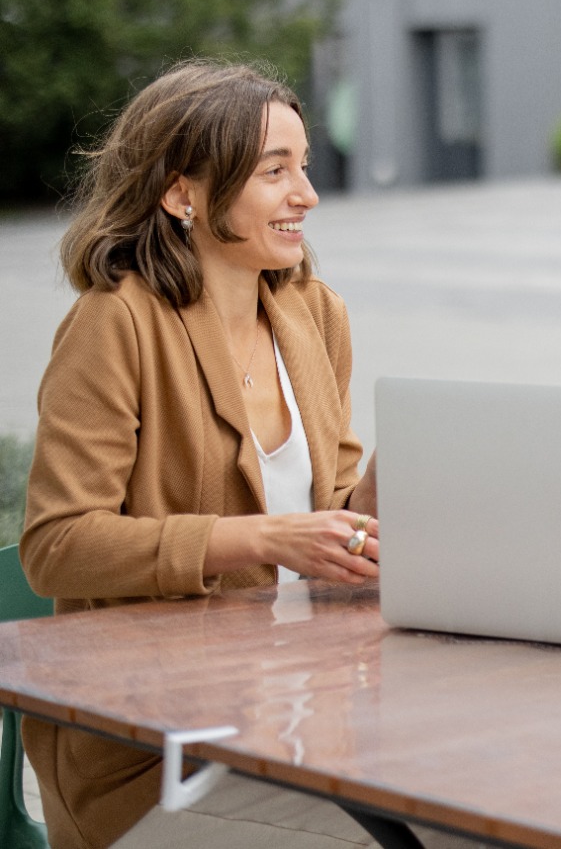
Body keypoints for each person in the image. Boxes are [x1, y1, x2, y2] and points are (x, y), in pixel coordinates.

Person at [21, 60, 420, 849]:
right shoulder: (117, 323)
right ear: (183, 194)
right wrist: (264, 539)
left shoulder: (315, 313)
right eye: (276, 172)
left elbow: (331, 521)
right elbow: (55, 545)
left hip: (307, 721)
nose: (306, 194)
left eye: (303, 167)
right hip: (156, 756)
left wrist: (377, 501)